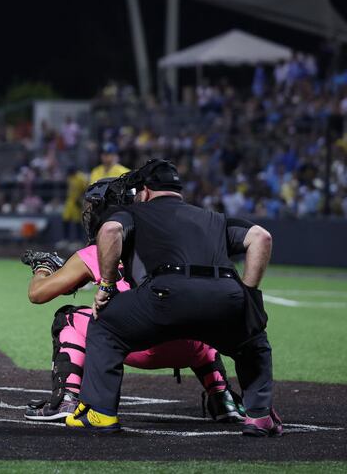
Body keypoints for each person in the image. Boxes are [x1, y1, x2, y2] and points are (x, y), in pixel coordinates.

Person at [68, 160, 279, 437]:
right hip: (225, 296)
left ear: (144, 191)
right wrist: (248, 294)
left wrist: (106, 286)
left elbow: (109, 231)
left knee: (104, 325)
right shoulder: (212, 218)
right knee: (253, 341)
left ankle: (100, 412)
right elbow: (261, 238)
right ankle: (259, 416)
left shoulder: (135, 213)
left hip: (166, 295)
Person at [23, 178, 243, 423]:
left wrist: (43, 268)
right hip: (193, 347)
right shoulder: (181, 240)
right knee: (198, 310)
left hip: (138, 343)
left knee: (67, 318)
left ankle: (67, 397)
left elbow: (38, 294)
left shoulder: (99, 248)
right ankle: (223, 398)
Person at [61, 167, 88, 242]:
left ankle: (78, 240)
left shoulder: (81, 178)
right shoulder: (70, 177)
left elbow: (86, 190)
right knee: (65, 219)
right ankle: (65, 239)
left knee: (77, 221)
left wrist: (82, 200)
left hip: (77, 201)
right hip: (69, 200)